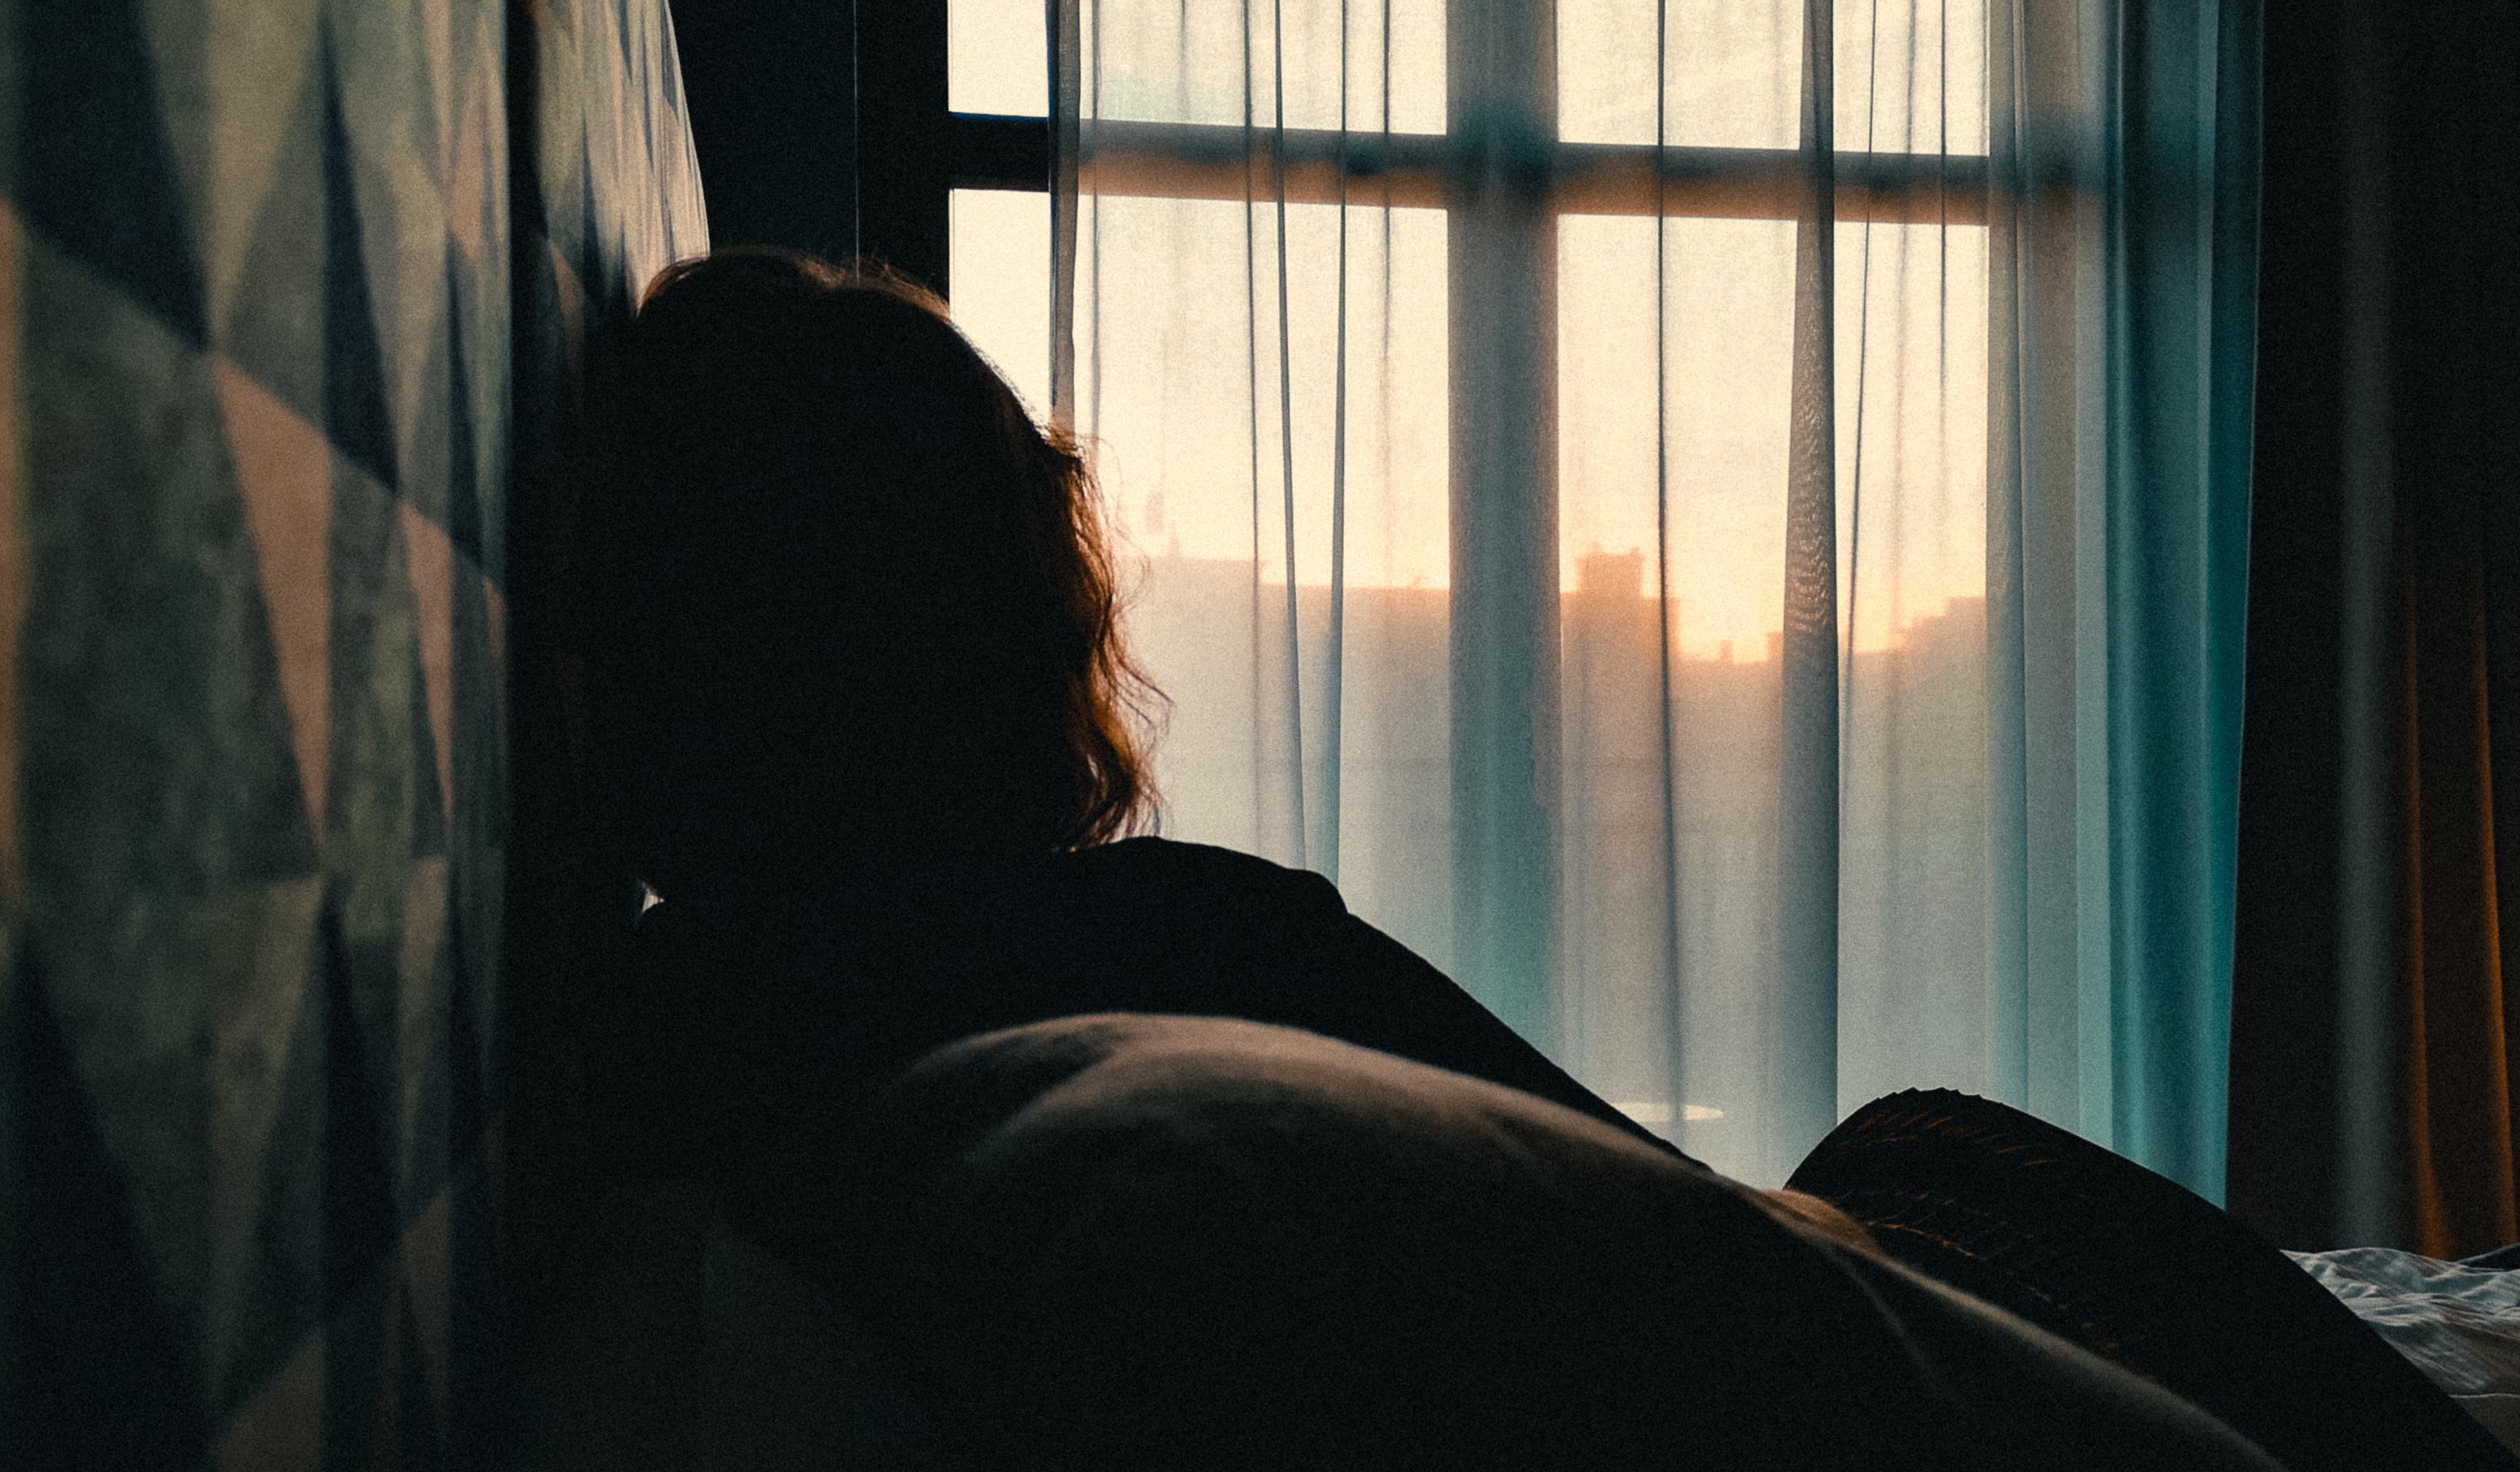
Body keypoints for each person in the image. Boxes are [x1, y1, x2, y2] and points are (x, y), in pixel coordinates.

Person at [577, 249, 2511, 1470]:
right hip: (1909, 1266)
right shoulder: (1170, 935)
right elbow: (1691, 1215)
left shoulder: (676, 1032)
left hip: (1873, 1259)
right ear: (990, 617)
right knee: (1929, 1149)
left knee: (1928, 1152)